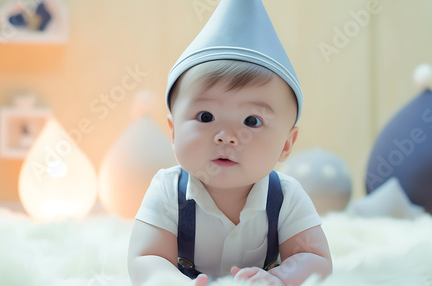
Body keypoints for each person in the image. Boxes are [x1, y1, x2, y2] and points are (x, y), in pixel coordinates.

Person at [128, 1, 332, 285]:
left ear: (287, 144)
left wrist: (279, 278)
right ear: (173, 132)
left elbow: (316, 259)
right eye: (206, 116)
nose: (227, 136)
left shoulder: (285, 197)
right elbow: (147, 258)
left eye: (252, 121)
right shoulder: (168, 192)